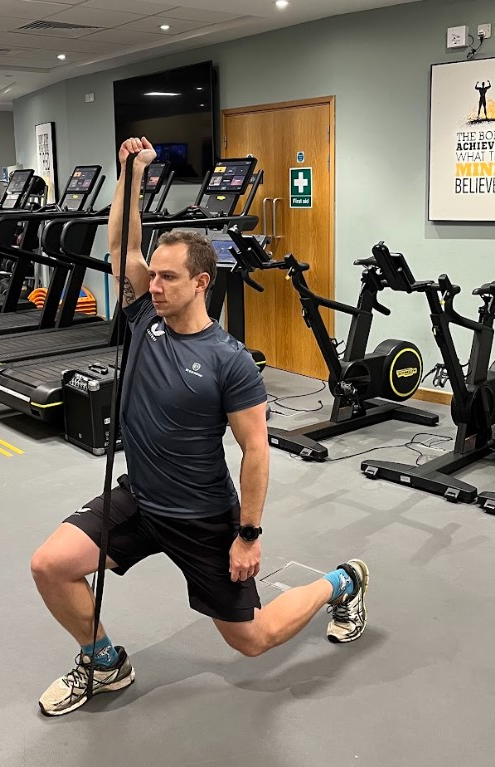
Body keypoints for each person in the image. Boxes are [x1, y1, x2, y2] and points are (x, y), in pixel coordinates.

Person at [31, 136, 370, 718]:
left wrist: (248, 534)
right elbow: (121, 242)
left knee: (253, 640)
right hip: (140, 498)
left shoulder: (229, 360)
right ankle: (106, 662)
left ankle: (342, 582)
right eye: (151, 276)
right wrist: (129, 172)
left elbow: (256, 451)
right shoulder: (144, 319)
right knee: (50, 565)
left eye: (166, 278)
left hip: (202, 516)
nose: (150, 286)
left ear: (201, 282)